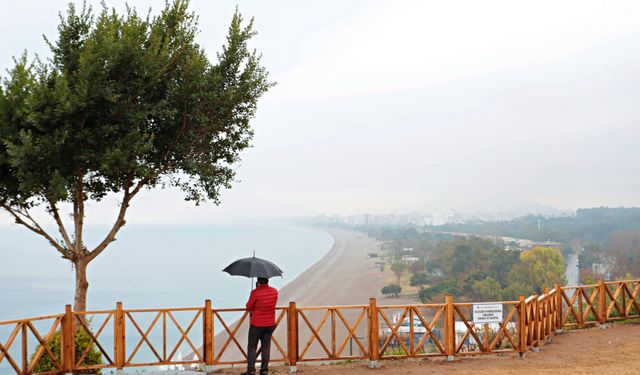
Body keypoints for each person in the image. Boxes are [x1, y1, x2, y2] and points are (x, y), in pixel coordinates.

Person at [242, 277, 278, 375]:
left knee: (252, 347)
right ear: (268, 280)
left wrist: (255, 291)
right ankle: (264, 371)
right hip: (270, 323)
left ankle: (251, 371)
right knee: (266, 347)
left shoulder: (255, 292)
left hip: (257, 324)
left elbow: (249, 307)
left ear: (258, 281)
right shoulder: (274, 291)